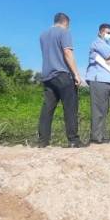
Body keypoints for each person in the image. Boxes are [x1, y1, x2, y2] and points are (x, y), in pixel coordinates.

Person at [37, 13, 86, 148]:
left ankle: (43, 141)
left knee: (47, 109)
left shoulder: (43, 35)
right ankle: (73, 141)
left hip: (47, 76)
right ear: (65, 22)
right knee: (70, 108)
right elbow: (67, 53)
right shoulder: (64, 32)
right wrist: (76, 74)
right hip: (62, 75)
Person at [85, 23, 110, 144]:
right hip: (98, 79)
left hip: (107, 81)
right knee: (98, 110)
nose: (109, 35)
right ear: (100, 32)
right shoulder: (98, 43)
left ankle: (100, 135)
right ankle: (96, 137)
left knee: (104, 109)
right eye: (107, 32)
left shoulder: (106, 46)